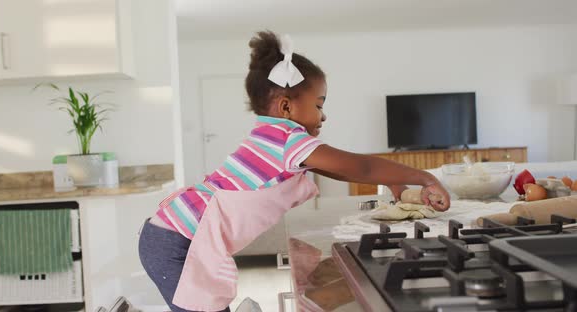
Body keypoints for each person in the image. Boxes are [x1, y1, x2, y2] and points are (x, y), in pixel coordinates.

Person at [138, 30, 451, 312]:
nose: (323, 116)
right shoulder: (287, 139)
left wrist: (392, 180)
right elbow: (360, 165)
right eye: (318, 105)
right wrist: (423, 176)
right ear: (286, 107)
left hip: (173, 233)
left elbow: (342, 172)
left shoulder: (271, 137)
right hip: (178, 241)